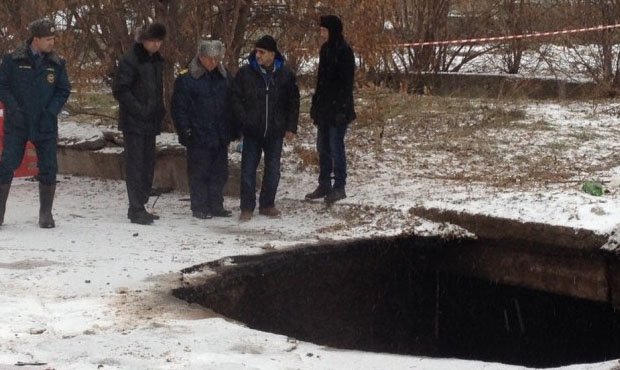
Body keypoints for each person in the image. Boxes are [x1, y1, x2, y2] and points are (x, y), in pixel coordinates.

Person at [0, 19, 71, 228]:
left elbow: (63, 89)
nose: (52, 43)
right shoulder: (13, 60)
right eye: (48, 39)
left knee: (49, 167)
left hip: (45, 123)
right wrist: (14, 108)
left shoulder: (57, 63)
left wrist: (51, 111)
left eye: (53, 39)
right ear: (36, 39)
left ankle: (46, 214)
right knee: (7, 164)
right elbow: (2, 86)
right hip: (18, 123)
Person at [232, 35, 300, 221]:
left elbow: (293, 102)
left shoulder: (285, 74)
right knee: (247, 170)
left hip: (275, 131)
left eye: (262, 52)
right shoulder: (245, 73)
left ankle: (267, 204)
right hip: (252, 131)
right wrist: (244, 120)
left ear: (272, 54)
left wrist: (291, 127)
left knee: (273, 170)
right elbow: (236, 99)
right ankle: (247, 207)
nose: (258, 55)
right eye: (256, 51)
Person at [171, 40, 238, 219]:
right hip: (198, 135)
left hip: (220, 133)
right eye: (210, 59)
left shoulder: (224, 77)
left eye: (217, 59)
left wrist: (234, 128)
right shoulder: (187, 78)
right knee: (199, 172)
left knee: (219, 173)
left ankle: (216, 205)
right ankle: (199, 206)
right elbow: (179, 109)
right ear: (201, 57)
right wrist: (185, 131)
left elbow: (232, 104)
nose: (214, 63)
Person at [112, 23, 166, 225]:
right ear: (143, 40)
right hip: (134, 121)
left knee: (147, 164)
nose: (156, 45)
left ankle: (140, 204)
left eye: (159, 41)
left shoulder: (156, 61)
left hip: (150, 120)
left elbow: (156, 89)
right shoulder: (131, 60)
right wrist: (139, 109)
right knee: (135, 166)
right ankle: (135, 207)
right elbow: (120, 89)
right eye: (152, 41)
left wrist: (158, 109)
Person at [306, 15, 356, 204]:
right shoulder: (325, 50)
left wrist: (341, 109)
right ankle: (324, 183)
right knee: (323, 147)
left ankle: (339, 186)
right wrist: (316, 104)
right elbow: (321, 81)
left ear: (332, 30)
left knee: (336, 147)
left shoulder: (344, 51)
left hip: (339, 109)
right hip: (325, 108)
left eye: (324, 30)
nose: (321, 33)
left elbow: (346, 84)